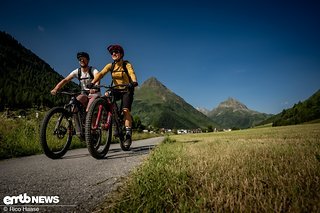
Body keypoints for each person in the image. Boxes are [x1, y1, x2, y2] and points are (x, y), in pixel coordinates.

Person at [89, 44, 138, 146]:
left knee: (125, 110)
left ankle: (128, 135)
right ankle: (113, 121)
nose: (114, 54)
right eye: (112, 53)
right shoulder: (110, 66)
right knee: (106, 96)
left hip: (127, 89)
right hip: (116, 90)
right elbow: (101, 74)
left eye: (116, 52)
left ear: (121, 54)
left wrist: (133, 81)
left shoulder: (126, 64)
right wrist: (93, 82)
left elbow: (131, 72)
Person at [51, 52, 100, 138]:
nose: (81, 60)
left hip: (94, 93)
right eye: (80, 59)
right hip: (84, 93)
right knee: (74, 105)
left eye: (83, 58)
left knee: (89, 110)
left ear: (88, 60)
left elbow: (97, 78)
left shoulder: (93, 70)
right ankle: (79, 131)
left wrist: (95, 87)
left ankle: (92, 130)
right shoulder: (77, 71)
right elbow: (65, 80)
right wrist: (56, 88)